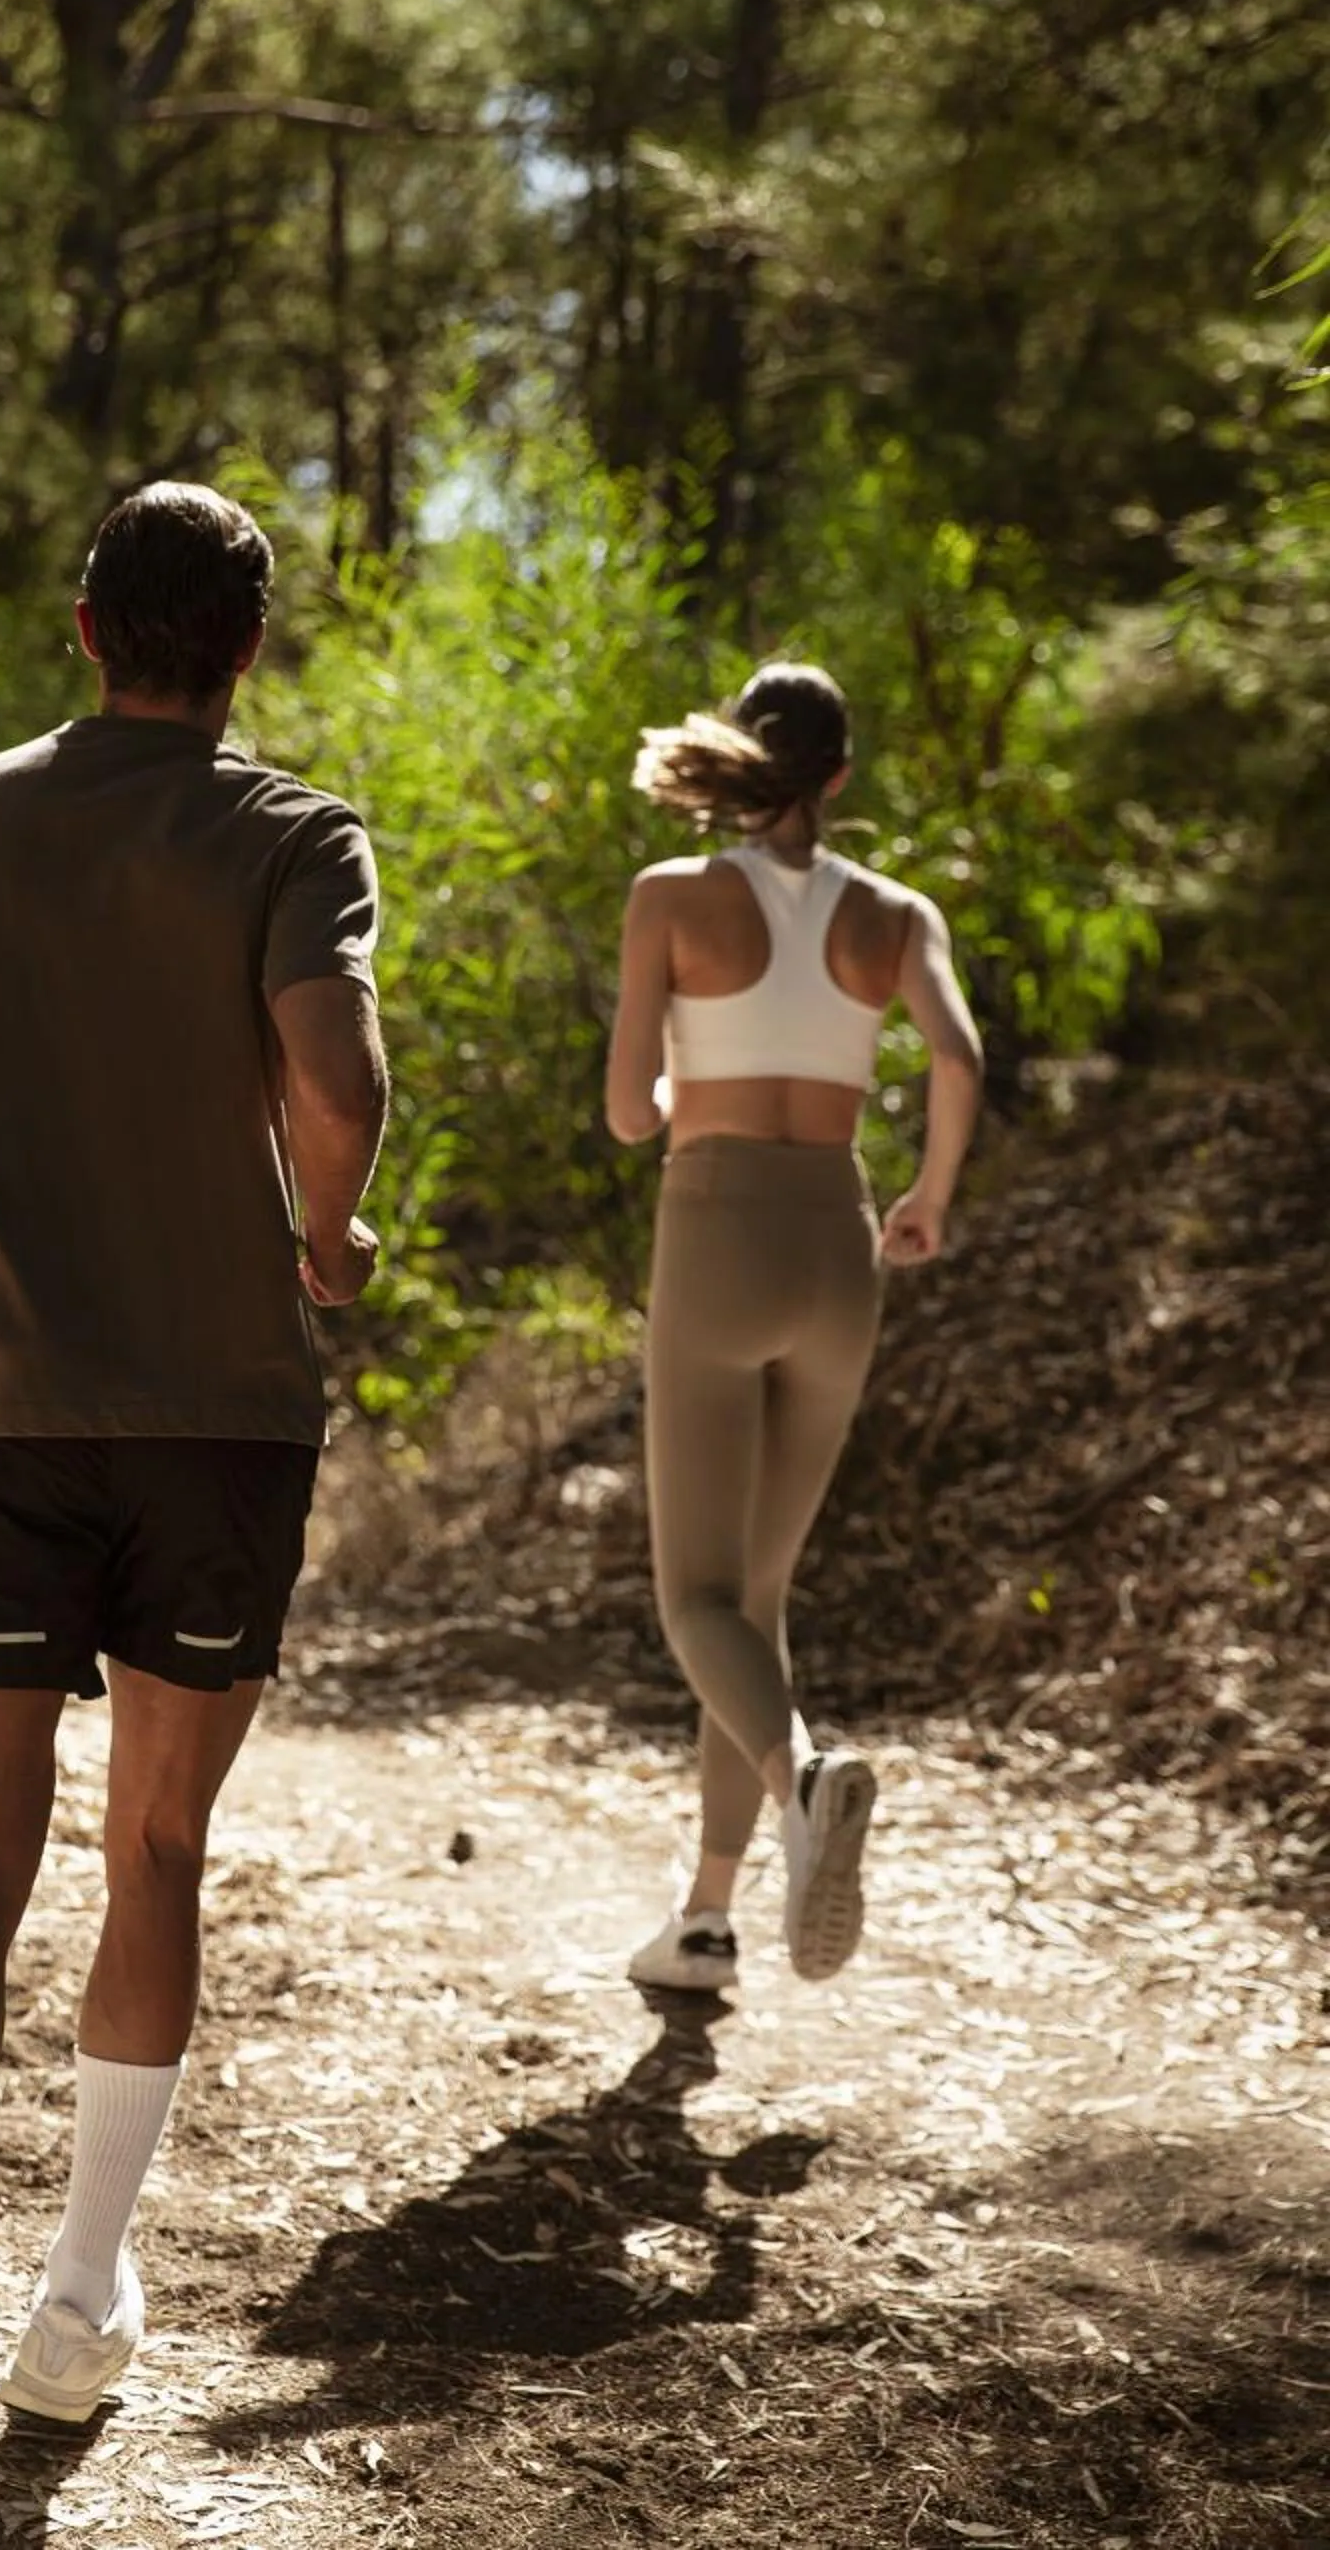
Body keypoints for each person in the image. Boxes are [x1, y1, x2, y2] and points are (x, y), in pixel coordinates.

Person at [0, 483, 388, 2550]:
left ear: (83, 623)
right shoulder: (291, 834)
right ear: (248, 651)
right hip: (215, 1419)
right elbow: (337, 1083)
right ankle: (79, 2297)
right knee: (158, 1845)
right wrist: (330, 1229)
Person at [602, 661, 982, 1997]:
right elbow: (957, 1056)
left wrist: (670, 1071)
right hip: (840, 1243)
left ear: (734, 757)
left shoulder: (670, 899)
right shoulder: (894, 913)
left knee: (695, 1600)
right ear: (839, 775)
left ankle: (802, 1780)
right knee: (754, 1603)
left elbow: (631, 1115)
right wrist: (928, 1197)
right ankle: (707, 1922)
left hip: (716, 1235)